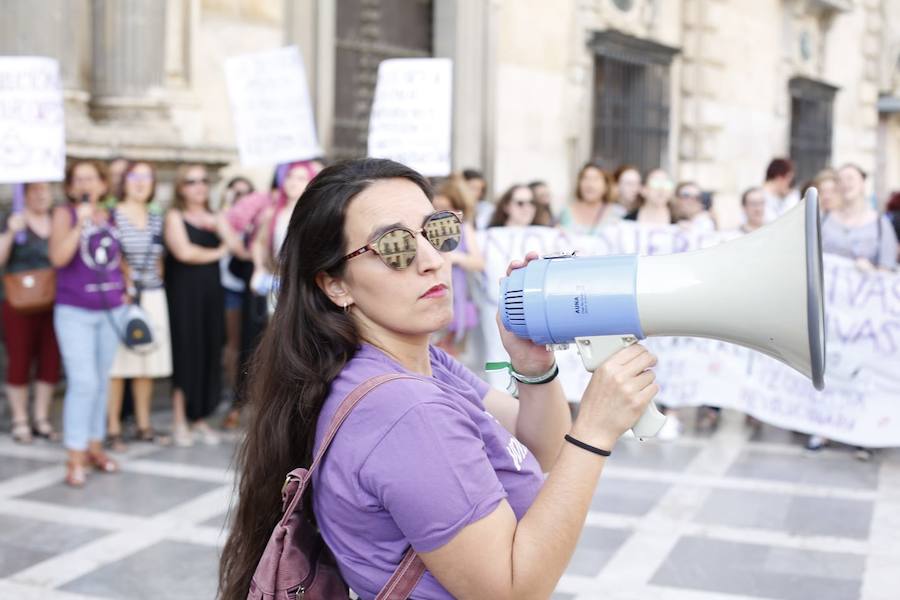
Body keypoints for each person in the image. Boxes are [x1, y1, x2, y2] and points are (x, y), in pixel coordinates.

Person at [218, 158, 658, 600]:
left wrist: (533, 366)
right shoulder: (407, 411)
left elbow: (542, 447)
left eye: (437, 231)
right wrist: (597, 430)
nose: (432, 260)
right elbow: (510, 590)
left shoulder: (414, 363)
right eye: (394, 247)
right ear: (336, 285)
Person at [807, 163, 898, 459]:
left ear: (862, 183)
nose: (845, 184)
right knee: (829, 368)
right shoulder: (826, 220)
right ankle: (824, 426)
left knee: (862, 371)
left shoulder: (879, 224)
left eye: (851, 178)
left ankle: (863, 432)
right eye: (840, 179)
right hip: (831, 313)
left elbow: (887, 271)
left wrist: (869, 270)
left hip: (864, 318)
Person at [50, 160, 126, 487]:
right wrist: (78, 224)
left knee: (101, 381)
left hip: (111, 310)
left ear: (102, 184)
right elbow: (58, 258)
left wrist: (128, 289)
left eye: (91, 178)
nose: (85, 183)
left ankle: (96, 446)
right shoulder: (64, 215)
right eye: (78, 179)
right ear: (70, 187)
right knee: (83, 382)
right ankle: (75, 455)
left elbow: (116, 259)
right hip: (75, 312)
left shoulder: (109, 215)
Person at [105, 161, 173, 450]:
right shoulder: (112, 215)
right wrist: (124, 285)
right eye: (135, 176)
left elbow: (159, 260)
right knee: (118, 365)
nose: (141, 182)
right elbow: (109, 256)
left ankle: (143, 425)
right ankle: (113, 427)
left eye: (147, 176)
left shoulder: (157, 217)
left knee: (146, 362)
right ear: (124, 181)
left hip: (153, 294)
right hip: (123, 296)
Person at [164, 164, 232, 446]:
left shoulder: (216, 216)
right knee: (185, 350)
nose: (199, 186)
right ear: (181, 188)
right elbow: (184, 252)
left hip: (211, 293)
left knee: (209, 348)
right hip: (184, 294)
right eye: (192, 181)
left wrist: (222, 227)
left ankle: (200, 418)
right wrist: (219, 251)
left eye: (204, 180)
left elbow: (238, 245)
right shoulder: (174, 216)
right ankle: (180, 418)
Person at [0, 182, 61, 443]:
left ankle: (41, 417)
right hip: (18, 302)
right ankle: (19, 418)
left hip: (55, 300)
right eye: (34, 191)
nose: (40, 195)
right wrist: (11, 233)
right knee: (20, 359)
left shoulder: (58, 220)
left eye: (44, 190)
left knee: (50, 360)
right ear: (23, 195)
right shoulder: (13, 220)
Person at [431, 173, 485, 356]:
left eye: (445, 208)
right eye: (435, 208)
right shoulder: (426, 230)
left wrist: (454, 257)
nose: (440, 214)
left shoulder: (464, 228)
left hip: (460, 300)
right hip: (434, 298)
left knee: (455, 355)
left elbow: (478, 262)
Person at [218, 176, 255, 419]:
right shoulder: (222, 217)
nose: (241, 197)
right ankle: (233, 393)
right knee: (232, 343)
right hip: (228, 286)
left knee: (251, 343)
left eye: (246, 193)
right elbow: (238, 252)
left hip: (250, 287)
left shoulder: (258, 219)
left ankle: (248, 393)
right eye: (236, 192)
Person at [558, 162, 622, 234]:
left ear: (606, 185)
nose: (589, 184)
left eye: (595, 179)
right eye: (585, 178)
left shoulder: (618, 214)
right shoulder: (565, 212)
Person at [762, 158, 798, 222]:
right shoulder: (757, 198)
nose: (789, 185)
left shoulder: (783, 198)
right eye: (789, 179)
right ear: (779, 177)